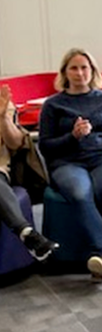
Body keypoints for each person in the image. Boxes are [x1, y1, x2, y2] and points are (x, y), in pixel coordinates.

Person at [39, 49, 102, 282]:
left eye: (84, 67)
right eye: (74, 67)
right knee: (81, 193)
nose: (80, 73)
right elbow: (45, 146)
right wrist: (72, 136)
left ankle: (99, 259)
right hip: (67, 163)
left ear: (92, 71)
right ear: (65, 73)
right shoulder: (53, 105)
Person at [0, 84, 59, 261]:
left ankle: (26, 234)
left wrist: (3, 118)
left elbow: (16, 144)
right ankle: (27, 234)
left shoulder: (3, 103)